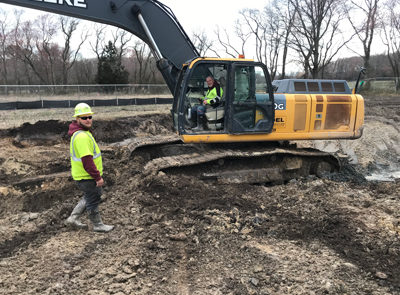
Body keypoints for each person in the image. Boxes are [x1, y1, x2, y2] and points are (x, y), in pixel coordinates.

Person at [64, 103, 114, 232]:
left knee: (89, 196)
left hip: (83, 175)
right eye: (84, 118)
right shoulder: (81, 136)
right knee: (94, 198)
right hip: (86, 176)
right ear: (77, 119)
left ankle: (73, 218)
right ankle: (98, 225)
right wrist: (97, 177)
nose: (88, 120)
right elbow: (87, 161)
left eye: (89, 117)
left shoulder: (82, 133)